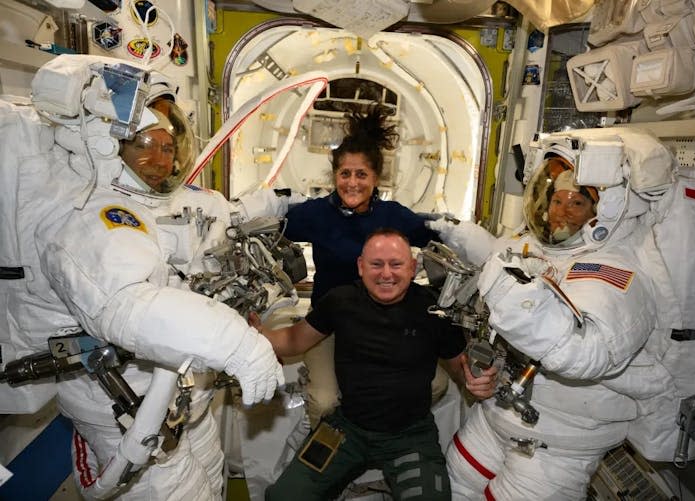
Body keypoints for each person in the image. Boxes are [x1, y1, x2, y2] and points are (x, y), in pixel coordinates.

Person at [0, 55, 299, 499]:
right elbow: (130, 306)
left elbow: (219, 212)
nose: (160, 160)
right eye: (144, 144)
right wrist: (241, 347)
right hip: (130, 413)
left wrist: (277, 203)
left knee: (211, 482)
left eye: (167, 146)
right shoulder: (88, 217)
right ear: (106, 143)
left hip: (181, 404)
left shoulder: (155, 201)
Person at [429, 128, 681, 499]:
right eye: (557, 199)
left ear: (603, 212)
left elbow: (585, 353)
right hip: (499, 416)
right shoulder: (531, 246)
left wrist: (511, 297)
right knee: (449, 487)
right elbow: (499, 267)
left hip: (557, 443)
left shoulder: (614, 273)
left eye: (577, 202)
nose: (563, 210)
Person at [257, 228, 497, 500]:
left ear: (412, 267)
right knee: (283, 497)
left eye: (396, 264)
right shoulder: (341, 300)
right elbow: (293, 340)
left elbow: (459, 366)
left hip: (410, 437)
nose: (386, 274)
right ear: (361, 267)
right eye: (376, 264)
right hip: (347, 431)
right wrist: (252, 334)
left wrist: (477, 382)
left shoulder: (434, 311)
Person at [282, 103, 442, 426]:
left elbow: (438, 236)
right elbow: (272, 223)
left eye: (361, 174)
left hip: (384, 325)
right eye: (344, 174)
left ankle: (380, 439)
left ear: (376, 178)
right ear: (334, 176)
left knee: (436, 384)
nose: (351, 183)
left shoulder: (393, 217)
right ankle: (323, 457)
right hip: (327, 326)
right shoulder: (315, 214)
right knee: (325, 402)